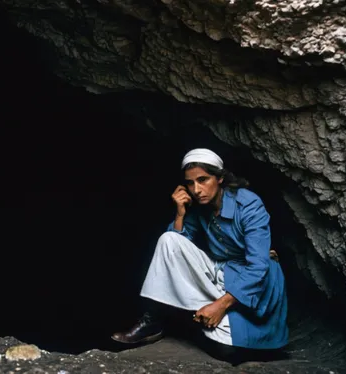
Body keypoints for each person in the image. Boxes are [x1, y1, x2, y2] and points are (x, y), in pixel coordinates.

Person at [111, 148, 289, 364]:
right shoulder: (198, 207)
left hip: (253, 282)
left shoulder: (248, 204)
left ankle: (201, 318)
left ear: (220, 177)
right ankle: (153, 321)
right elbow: (174, 248)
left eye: (203, 180)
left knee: (226, 351)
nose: (196, 190)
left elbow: (258, 267)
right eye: (190, 183)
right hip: (222, 272)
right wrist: (180, 213)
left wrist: (220, 305)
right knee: (168, 240)